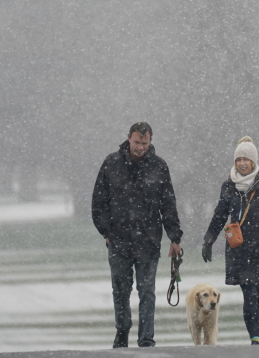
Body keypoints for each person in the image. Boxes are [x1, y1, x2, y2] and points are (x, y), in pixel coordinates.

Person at [91, 122, 182, 348]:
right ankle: (122, 332)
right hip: (118, 240)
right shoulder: (111, 163)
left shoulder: (159, 167)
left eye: (145, 142)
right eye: (137, 142)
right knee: (120, 290)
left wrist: (175, 237)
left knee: (147, 291)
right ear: (128, 139)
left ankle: (146, 339)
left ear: (150, 141)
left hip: (149, 240)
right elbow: (98, 202)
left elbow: (168, 204)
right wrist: (107, 231)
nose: (140, 147)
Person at [201, 136, 259, 345]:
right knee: (249, 293)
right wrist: (209, 240)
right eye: (238, 160)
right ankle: (254, 338)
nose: (242, 163)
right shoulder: (229, 187)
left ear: (254, 161)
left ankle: (258, 331)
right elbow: (220, 215)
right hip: (239, 250)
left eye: (246, 159)